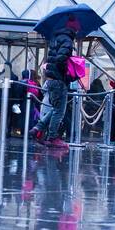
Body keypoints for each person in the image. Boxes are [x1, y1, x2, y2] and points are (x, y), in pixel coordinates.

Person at [31, 15, 77, 148]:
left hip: (50, 79)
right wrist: (66, 75)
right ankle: (52, 137)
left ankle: (37, 129)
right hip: (58, 80)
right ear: (73, 29)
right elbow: (60, 59)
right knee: (59, 111)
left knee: (56, 108)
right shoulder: (67, 41)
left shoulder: (55, 38)